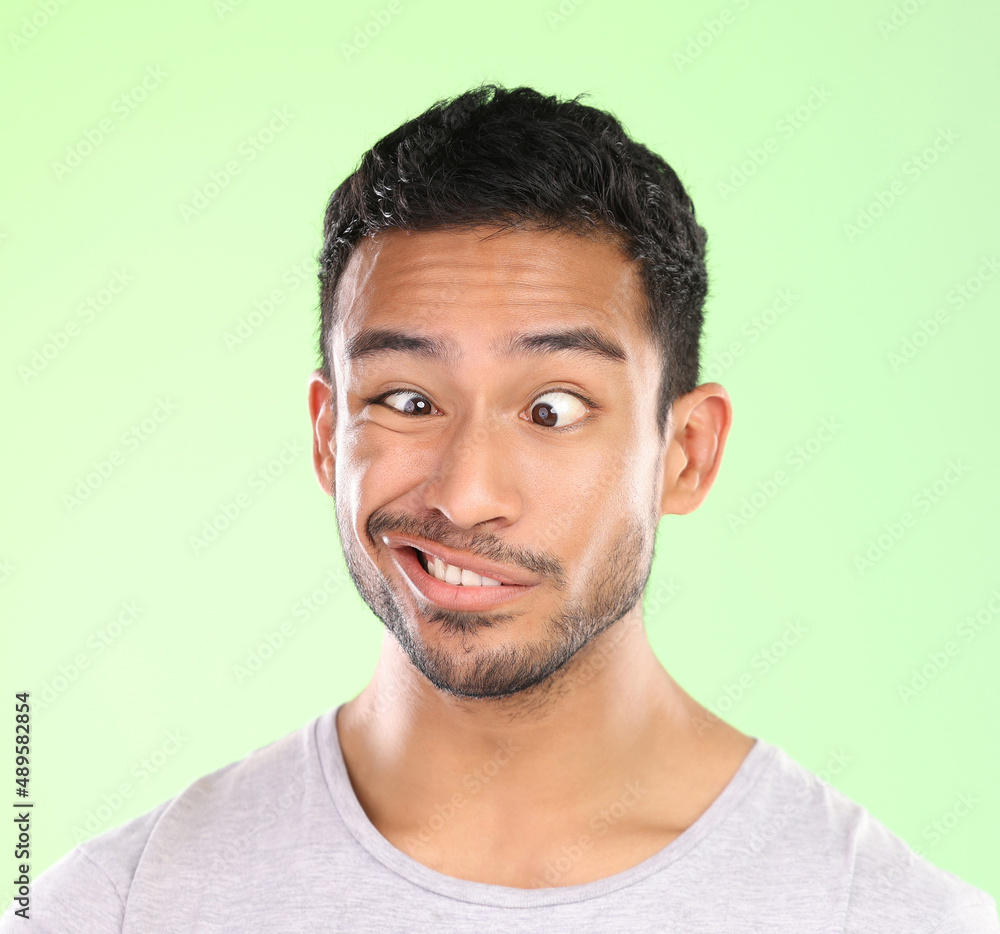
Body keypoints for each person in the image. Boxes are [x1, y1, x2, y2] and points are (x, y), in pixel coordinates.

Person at [3, 83, 996, 933]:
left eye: (552, 409)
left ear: (685, 453)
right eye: (405, 399)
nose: (467, 491)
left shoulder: (881, 914)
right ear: (325, 436)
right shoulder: (123, 906)